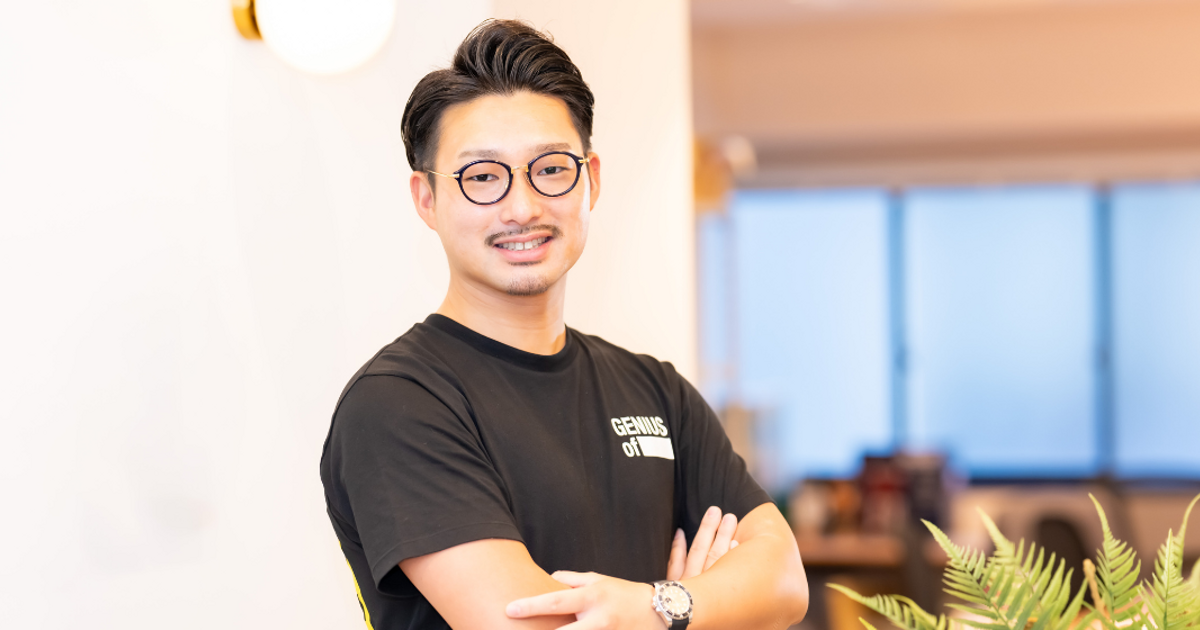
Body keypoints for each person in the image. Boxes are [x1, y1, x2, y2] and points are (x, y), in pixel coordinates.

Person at [319, 19, 808, 630]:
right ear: (427, 199)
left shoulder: (656, 389)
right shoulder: (400, 403)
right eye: (482, 177)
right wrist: (699, 606)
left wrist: (653, 607)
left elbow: (784, 580)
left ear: (591, 180)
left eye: (550, 169)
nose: (522, 207)